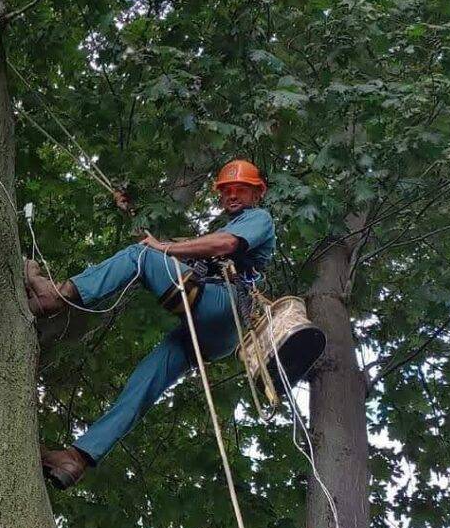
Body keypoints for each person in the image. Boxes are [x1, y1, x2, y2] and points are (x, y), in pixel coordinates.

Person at [27, 159, 276, 489]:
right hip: (211, 334)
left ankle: (56, 297)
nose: (232, 195)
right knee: (146, 379)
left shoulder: (258, 219)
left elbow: (223, 245)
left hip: (223, 306)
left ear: (258, 192)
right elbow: (166, 252)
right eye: (226, 190)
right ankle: (78, 458)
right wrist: (139, 220)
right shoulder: (216, 232)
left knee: (137, 257)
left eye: (241, 189)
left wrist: (161, 248)